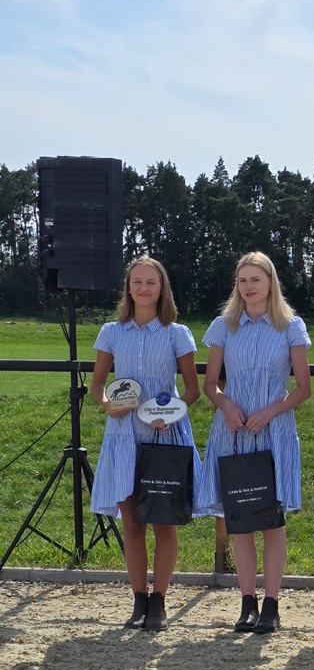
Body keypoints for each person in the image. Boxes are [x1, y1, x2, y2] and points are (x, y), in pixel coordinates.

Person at [199, 251, 311, 634]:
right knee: (240, 521)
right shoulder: (223, 326)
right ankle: (247, 603)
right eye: (243, 280)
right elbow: (210, 384)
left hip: (274, 432)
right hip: (232, 432)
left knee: (272, 522)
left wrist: (271, 411)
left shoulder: (291, 326)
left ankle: (272, 605)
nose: (248, 286)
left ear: (270, 282)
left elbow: (304, 388)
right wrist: (226, 404)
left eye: (255, 280)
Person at [90, 256, 202, 632]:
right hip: (123, 436)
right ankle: (138, 600)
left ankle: (159, 602)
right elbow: (98, 384)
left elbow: (192, 389)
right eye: (136, 282)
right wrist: (107, 404)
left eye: (150, 282)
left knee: (163, 522)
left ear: (161, 287)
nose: (143, 288)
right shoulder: (112, 332)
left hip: (164, 436)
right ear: (128, 287)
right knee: (133, 523)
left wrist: (171, 413)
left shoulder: (176, 333)